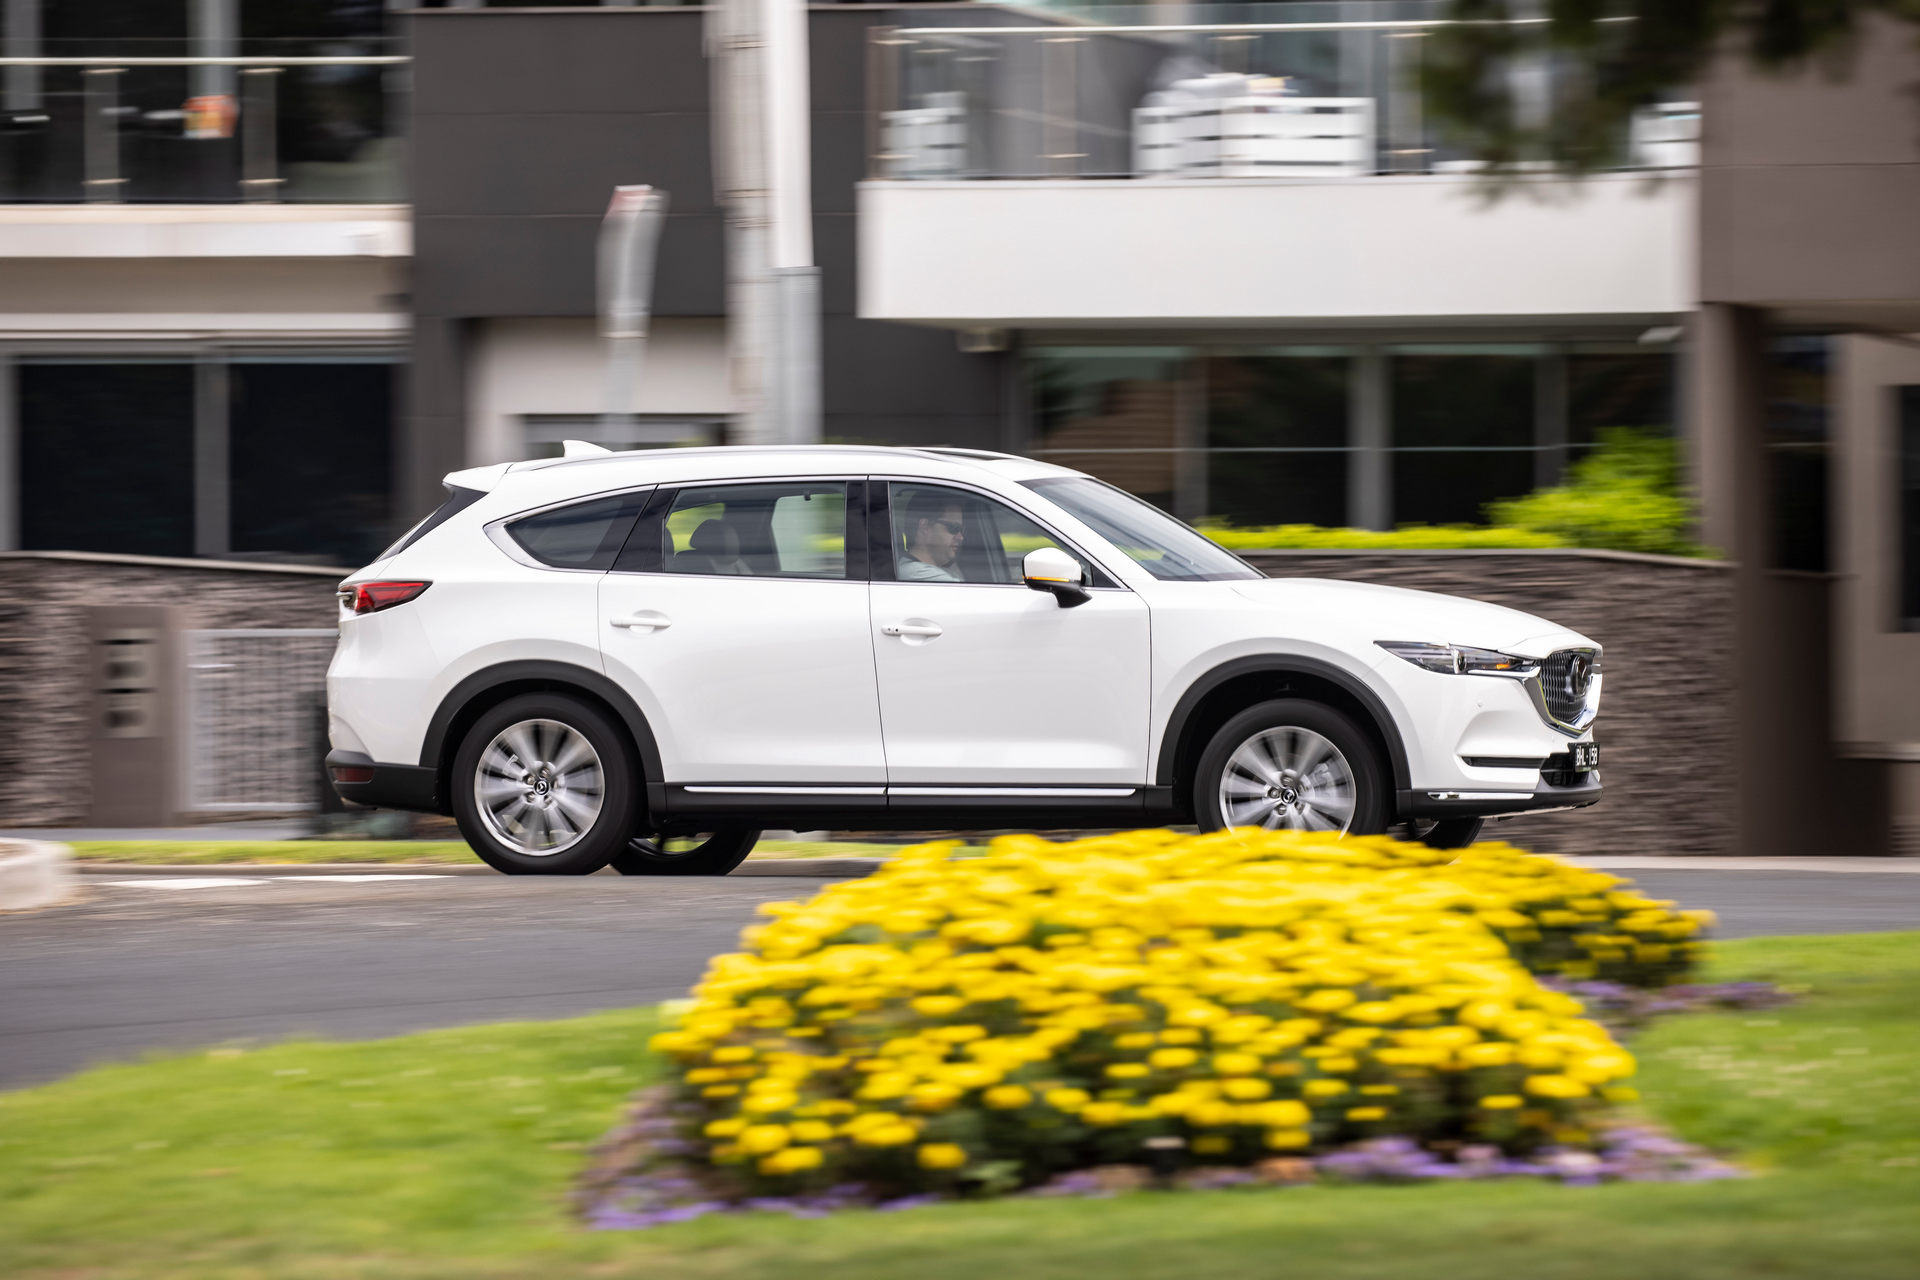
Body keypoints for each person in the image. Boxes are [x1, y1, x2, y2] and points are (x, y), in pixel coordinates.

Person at [898, 491, 967, 582]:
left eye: (962, 530)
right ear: (925, 527)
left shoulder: (938, 569)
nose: (960, 537)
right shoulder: (913, 572)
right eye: (954, 528)